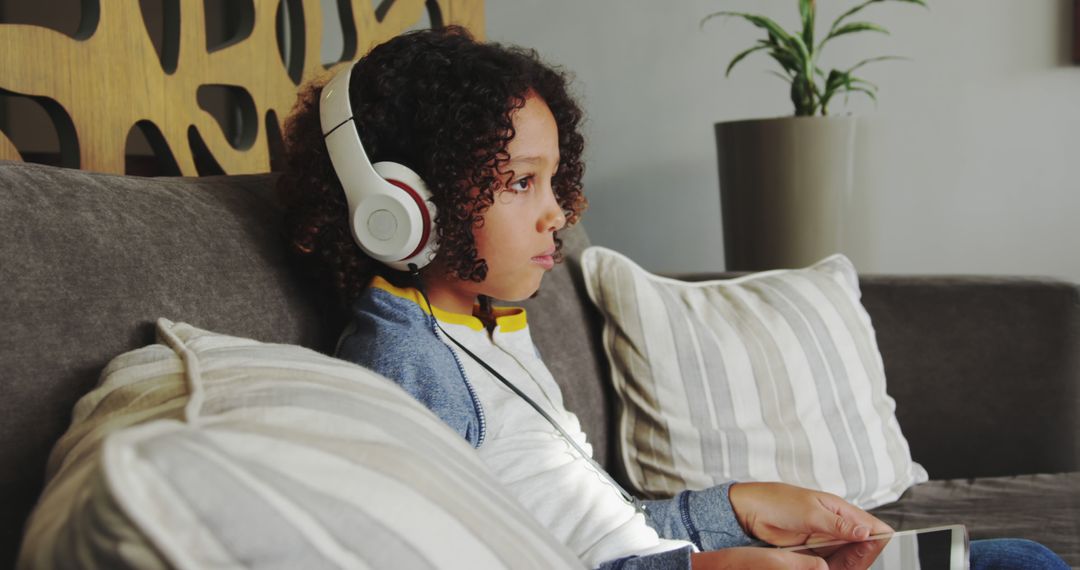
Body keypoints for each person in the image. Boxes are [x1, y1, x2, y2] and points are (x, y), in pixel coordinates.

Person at [278, 26, 1069, 570]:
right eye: (523, 182)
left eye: (556, 178)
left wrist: (742, 508)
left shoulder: (487, 327)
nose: (561, 211)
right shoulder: (404, 362)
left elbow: (598, 529)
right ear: (399, 206)